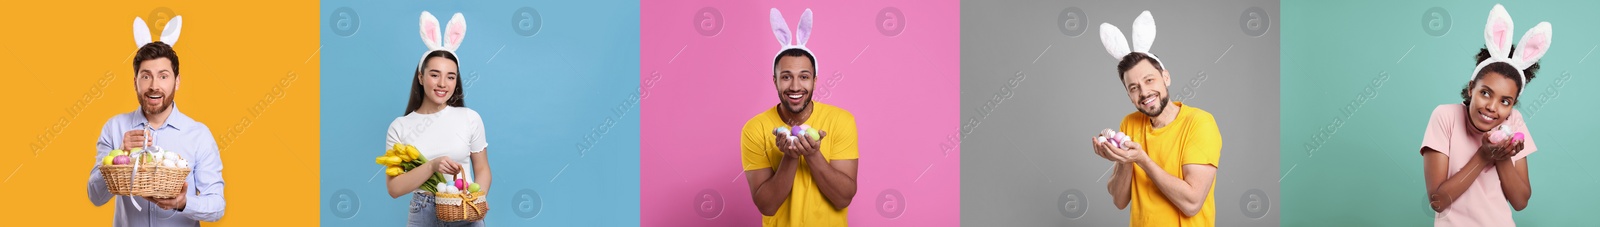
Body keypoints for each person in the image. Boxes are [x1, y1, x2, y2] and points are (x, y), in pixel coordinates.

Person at [88, 15, 227, 227]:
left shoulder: (198, 135)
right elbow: (95, 197)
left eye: (163, 76)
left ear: (177, 81)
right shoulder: (115, 129)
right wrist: (119, 156)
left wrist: (183, 203)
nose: (154, 85)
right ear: (136, 83)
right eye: (146, 76)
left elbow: (217, 206)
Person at [1420, 4, 1547, 226]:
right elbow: (1438, 202)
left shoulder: (1514, 122)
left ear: (1513, 104)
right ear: (1471, 89)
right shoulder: (1445, 117)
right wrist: (1483, 156)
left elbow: (1520, 202)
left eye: (1505, 101)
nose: (1492, 107)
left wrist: (1503, 156)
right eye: (1486, 93)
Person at [1092, 11, 1222, 227]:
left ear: (1166, 77)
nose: (1144, 92)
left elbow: (1192, 204)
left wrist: (1142, 160)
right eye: (1134, 88)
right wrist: (1125, 160)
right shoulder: (1129, 124)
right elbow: (1119, 200)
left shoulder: (1200, 123)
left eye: (1149, 80)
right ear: (1129, 95)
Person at [741, 8, 860, 227]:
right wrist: (790, 157)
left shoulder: (841, 121)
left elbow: (843, 198)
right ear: (775, 81)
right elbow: (767, 206)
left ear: (814, 81)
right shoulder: (755, 128)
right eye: (786, 77)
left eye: (803, 77)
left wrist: (813, 154)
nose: (795, 86)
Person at [385, 11, 492, 227]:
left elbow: (482, 169)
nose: (443, 83)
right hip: (423, 212)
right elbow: (394, 189)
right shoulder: (400, 127)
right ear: (421, 77)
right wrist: (432, 166)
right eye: (435, 74)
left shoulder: (470, 118)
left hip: (464, 206)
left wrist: (476, 198)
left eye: (450, 77)